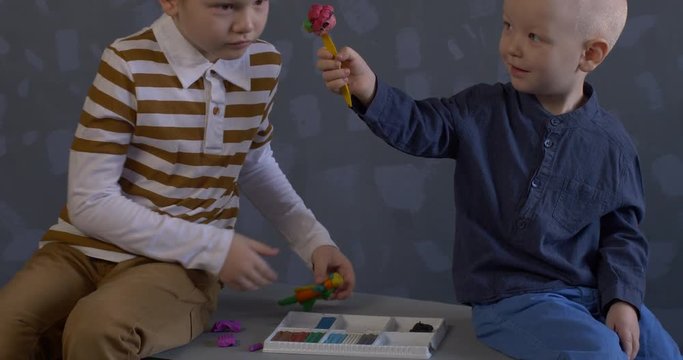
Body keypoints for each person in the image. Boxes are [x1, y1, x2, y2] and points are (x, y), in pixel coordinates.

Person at [316, 0, 680, 359]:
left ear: (590, 54)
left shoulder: (613, 146)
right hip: (512, 299)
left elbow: (622, 234)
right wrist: (369, 89)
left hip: (593, 297)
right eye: (508, 26)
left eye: (535, 36)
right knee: (599, 352)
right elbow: (419, 125)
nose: (512, 46)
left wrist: (622, 301)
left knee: (662, 351)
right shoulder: (481, 109)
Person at [0, 0, 355, 358]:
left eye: (259, 3)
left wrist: (314, 242)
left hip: (179, 266)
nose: (247, 24)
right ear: (171, 3)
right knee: (7, 324)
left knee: (98, 328)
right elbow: (89, 203)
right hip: (84, 249)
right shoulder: (127, 62)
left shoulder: (262, 64)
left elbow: (254, 164)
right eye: (225, 6)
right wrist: (215, 247)